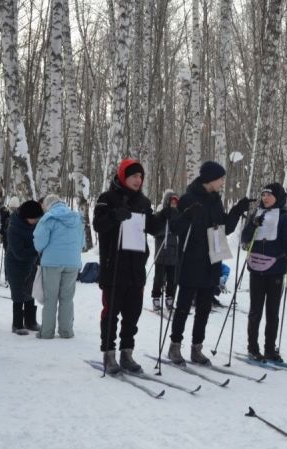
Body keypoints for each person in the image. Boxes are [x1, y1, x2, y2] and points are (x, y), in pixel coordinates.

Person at [168, 161, 252, 366]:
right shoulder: (188, 198)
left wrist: (237, 210)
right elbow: (175, 227)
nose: (223, 182)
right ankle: (175, 346)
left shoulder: (216, 200)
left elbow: (224, 227)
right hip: (191, 259)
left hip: (212, 259)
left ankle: (197, 348)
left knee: (204, 308)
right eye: (221, 178)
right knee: (183, 306)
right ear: (210, 178)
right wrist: (187, 216)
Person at [94, 159, 172, 374]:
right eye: (133, 176)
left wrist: (164, 215)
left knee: (132, 313)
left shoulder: (144, 202)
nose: (138, 180)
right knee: (111, 313)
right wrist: (114, 216)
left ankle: (126, 352)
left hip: (136, 267)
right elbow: (98, 225)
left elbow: (152, 228)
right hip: (114, 266)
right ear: (122, 176)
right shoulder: (106, 198)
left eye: (140, 177)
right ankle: (109, 353)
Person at [241, 182, 287, 362]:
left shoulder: (284, 217)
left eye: (268, 195)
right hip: (256, 268)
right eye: (263, 194)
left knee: (272, 311)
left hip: (276, 269)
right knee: (255, 310)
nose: (265, 198)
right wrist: (252, 225)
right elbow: (245, 239)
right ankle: (253, 348)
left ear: (277, 197)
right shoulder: (255, 214)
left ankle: (270, 348)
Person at [34, 194, 85, 339]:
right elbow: (82, 243)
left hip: (52, 263)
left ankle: (47, 332)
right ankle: (66, 331)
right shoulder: (76, 218)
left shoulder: (48, 218)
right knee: (67, 298)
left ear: (48, 205)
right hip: (73, 263)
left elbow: (39, 242)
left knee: (51, 298)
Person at [5, 200, 44, 335]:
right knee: (18, 294)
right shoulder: (14, 227)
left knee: (30, 290)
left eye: (37, 218)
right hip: (16, 264)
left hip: (31, 263)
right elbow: (19, 252)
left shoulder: (37, 224)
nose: (36, 221)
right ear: (25, 216)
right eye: (33, 218)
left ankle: (30, 321)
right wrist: (37, 250)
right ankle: (17, 324)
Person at [151, 190, 180, 312]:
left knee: (172, 279)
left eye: (175, 203)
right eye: (172, 202)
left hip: (173, 254)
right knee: (159, 278)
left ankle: (170, 297)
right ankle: (156, 297)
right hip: (162, 252)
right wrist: (165, 231)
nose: (173, 205)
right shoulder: (161, 215)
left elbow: (181, 231)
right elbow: (154, 230)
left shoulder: (178, 216)